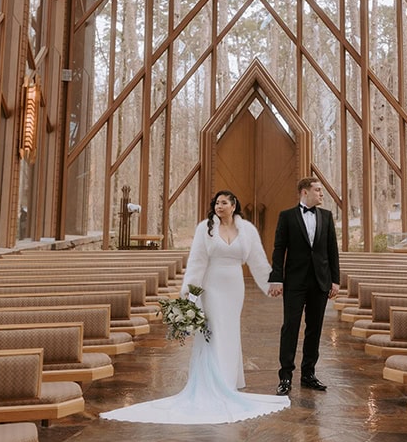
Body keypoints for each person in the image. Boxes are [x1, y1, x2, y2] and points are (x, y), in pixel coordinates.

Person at [101, 190, 290, 424]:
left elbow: (258, 260)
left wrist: (271, 283)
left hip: (234, 288)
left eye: (223, 202)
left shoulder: (247, 230)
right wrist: (189, 296)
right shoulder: (205, 228)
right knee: (214, 331)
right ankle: (215, 383)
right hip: (212, 286)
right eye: (216, 203)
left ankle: (228, 382)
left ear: (233, 205)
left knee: (230, 332)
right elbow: (197, 261)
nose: (219, 206)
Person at [268, 176, 340, 396]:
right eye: (318, 190)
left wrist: (335, 281)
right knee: (290, 327)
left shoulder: (326, 217)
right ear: (304, 192)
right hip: (295, 282)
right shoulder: (287, 216)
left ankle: (308, 374)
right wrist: (276, 278)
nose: (321, 194)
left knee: (315, 328)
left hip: (320, 281)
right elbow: (279, 249)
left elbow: (332, 251)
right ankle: (285, 377)